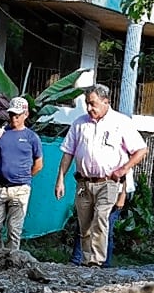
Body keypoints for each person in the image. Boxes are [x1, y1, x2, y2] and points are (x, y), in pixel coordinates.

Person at [55, 84, 148, 267]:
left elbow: (141, 149)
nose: (89, 108)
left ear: (106, 102)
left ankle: (96, 261)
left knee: (101, 219)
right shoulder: (79, 123)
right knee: (84, 225)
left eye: (93, 104)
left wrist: (123, 169)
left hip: (108, 182)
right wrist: (60, 180)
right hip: (84, 183)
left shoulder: (121, 122)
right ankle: (86, 261)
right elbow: (68, 153)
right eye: (87, 104)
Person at [0, 96, 44, 253]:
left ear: (25, 114)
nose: (14, 118)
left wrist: (24, 178)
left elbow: (38, 164)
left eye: (17, 115)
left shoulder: (32, 137)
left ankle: (12, 258)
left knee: (14, 228)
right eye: (11, 114)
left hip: (20, 188)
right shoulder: (0, 134)